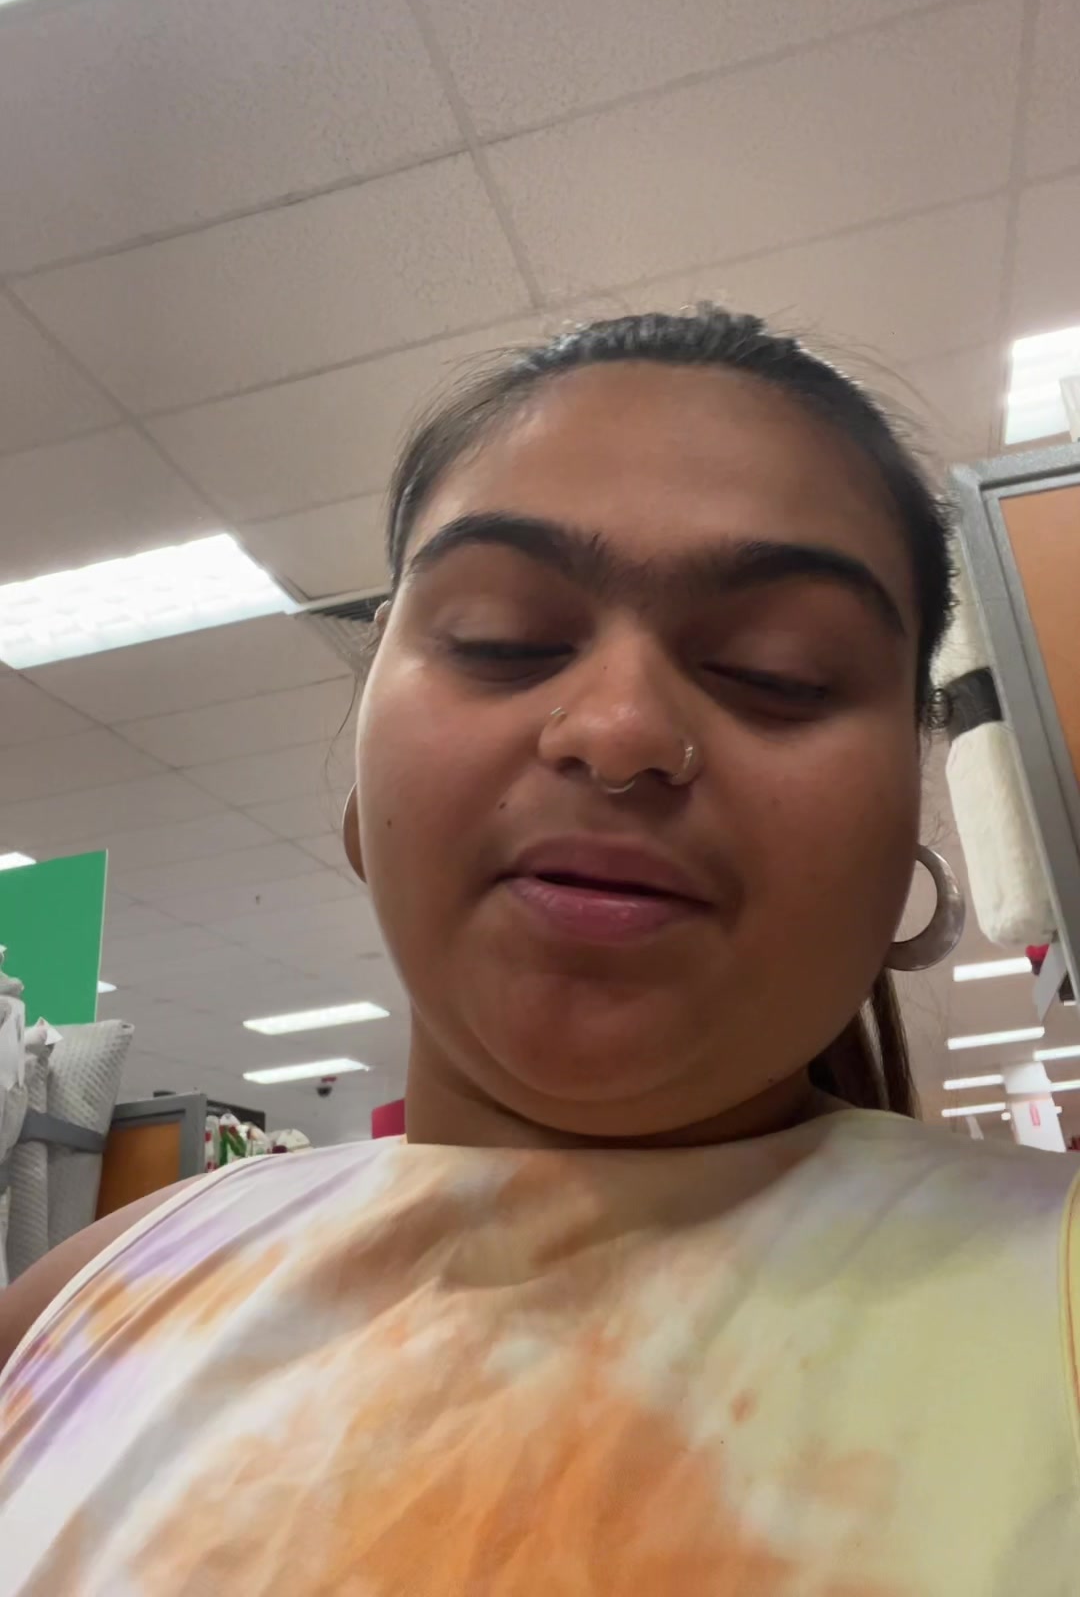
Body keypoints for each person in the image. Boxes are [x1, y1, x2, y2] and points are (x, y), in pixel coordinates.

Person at [1, 306, 1077, 1594]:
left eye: (780, 670)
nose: (618, 731)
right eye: (503, 640)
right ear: (361, 785)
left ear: (911, 814)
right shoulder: (88, 1306)